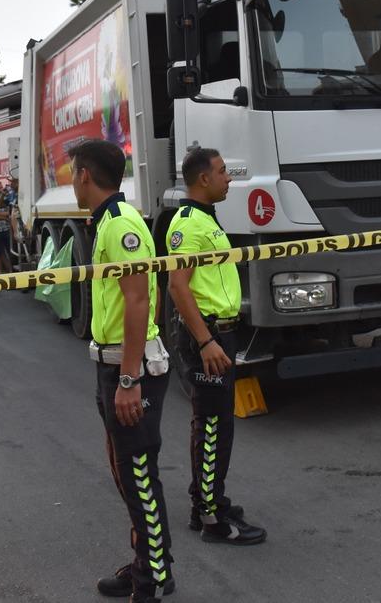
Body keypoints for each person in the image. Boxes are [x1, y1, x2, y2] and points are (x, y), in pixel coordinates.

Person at [69, 140, 174, 603]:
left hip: (130, 369)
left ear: (85, 175)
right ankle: (147, 564)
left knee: (137, 474)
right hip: (111, 363)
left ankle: (153, 578)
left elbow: (138, 300)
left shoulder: (122, 225)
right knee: (126, 471)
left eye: (73, 173)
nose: (72, 181)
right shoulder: (107, 223)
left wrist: (130, 380)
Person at [167, 148, 267, 545]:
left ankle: (206, 501)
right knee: (212, 429)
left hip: (219, 334)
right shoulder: (188, 224)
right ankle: (211, 519)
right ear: (203, 179)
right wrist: (205, 340)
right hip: (206, 337)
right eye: (223, 172)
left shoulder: (206, 219)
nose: (229, 178)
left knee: (217, 426)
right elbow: (178, 286)